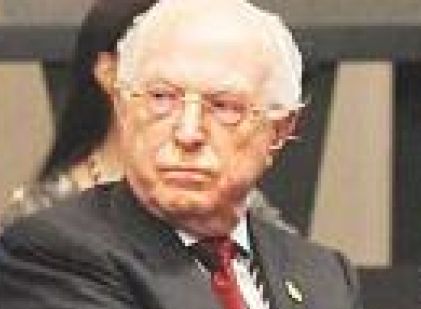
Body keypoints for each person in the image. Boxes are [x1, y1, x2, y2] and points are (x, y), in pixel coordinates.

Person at [0, 0, 387, 309]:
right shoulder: (53, 252)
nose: (187, 133)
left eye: (224, 106)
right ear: (123, 109)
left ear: (279, 130)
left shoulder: (320, 273)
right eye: (161, 98)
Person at [1, 0, 290, 235]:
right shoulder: (37, 221)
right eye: (164, 92)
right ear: (110, 73)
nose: (189, 128)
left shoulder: (238, 209)